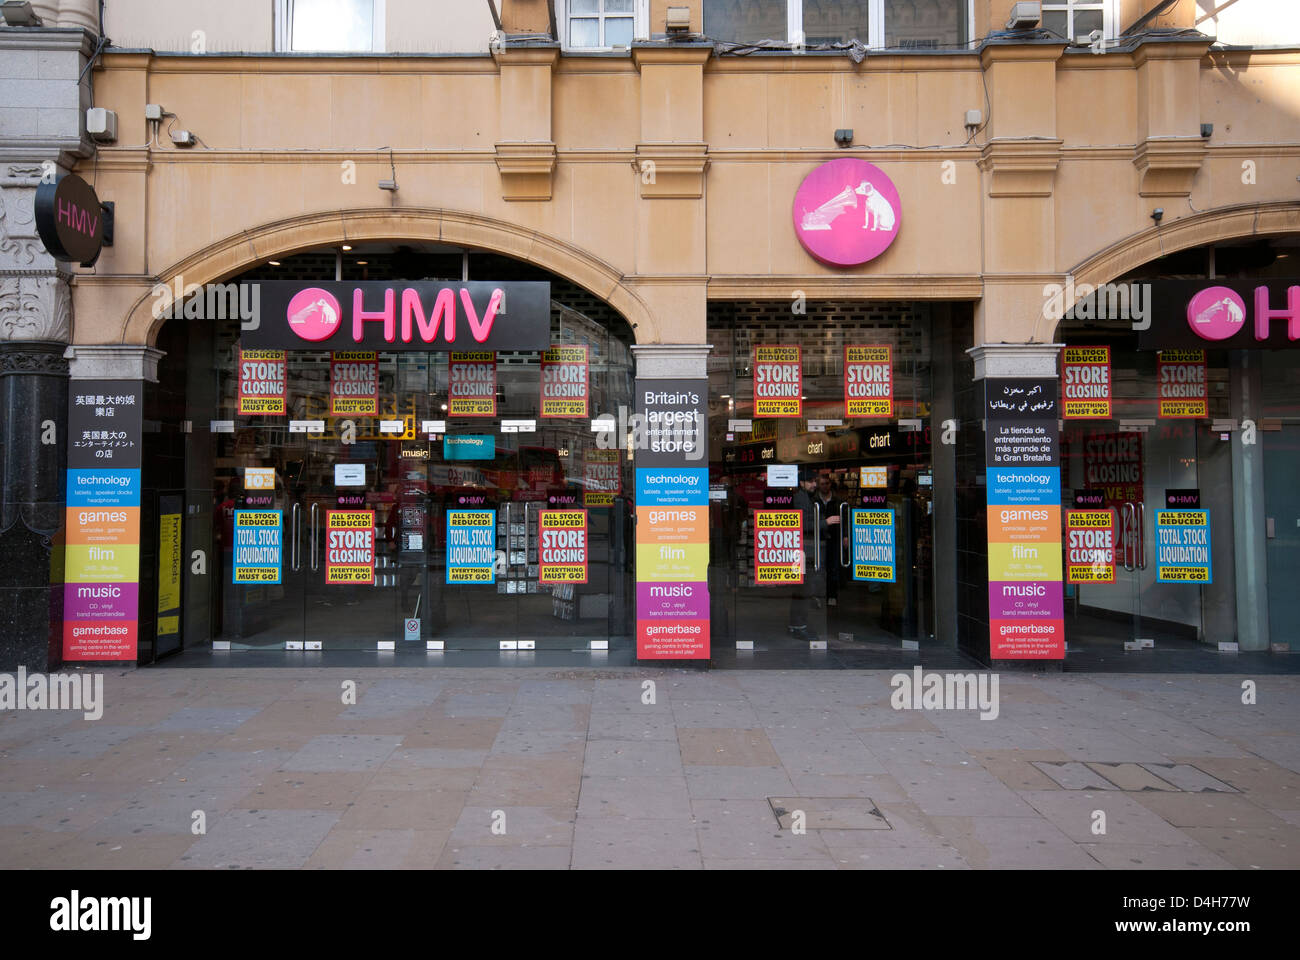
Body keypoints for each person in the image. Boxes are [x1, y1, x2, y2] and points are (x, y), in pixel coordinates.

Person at [788, 468, 819, 642]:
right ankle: (798, 625)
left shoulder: (807, 497)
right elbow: (804, 524)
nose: (814, 484)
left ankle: (798, 625)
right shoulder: (800, 498)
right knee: (804, 589)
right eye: (811, 481)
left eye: (815, 481)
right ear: (802, 483)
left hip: (804, 550)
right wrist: (825, 522)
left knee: (803, 589)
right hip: (803, 551)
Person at [815, 473, 846, 606]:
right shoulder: (814, 500)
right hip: (819, 538)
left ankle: (832, 595)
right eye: (822, 483)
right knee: (820, 568)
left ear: (830, 484)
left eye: (827, 483)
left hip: (834, 538)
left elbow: (845, 520)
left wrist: (845, 536)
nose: (824, 486)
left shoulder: (838, 500)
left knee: (833, 567)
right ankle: (820, 595)